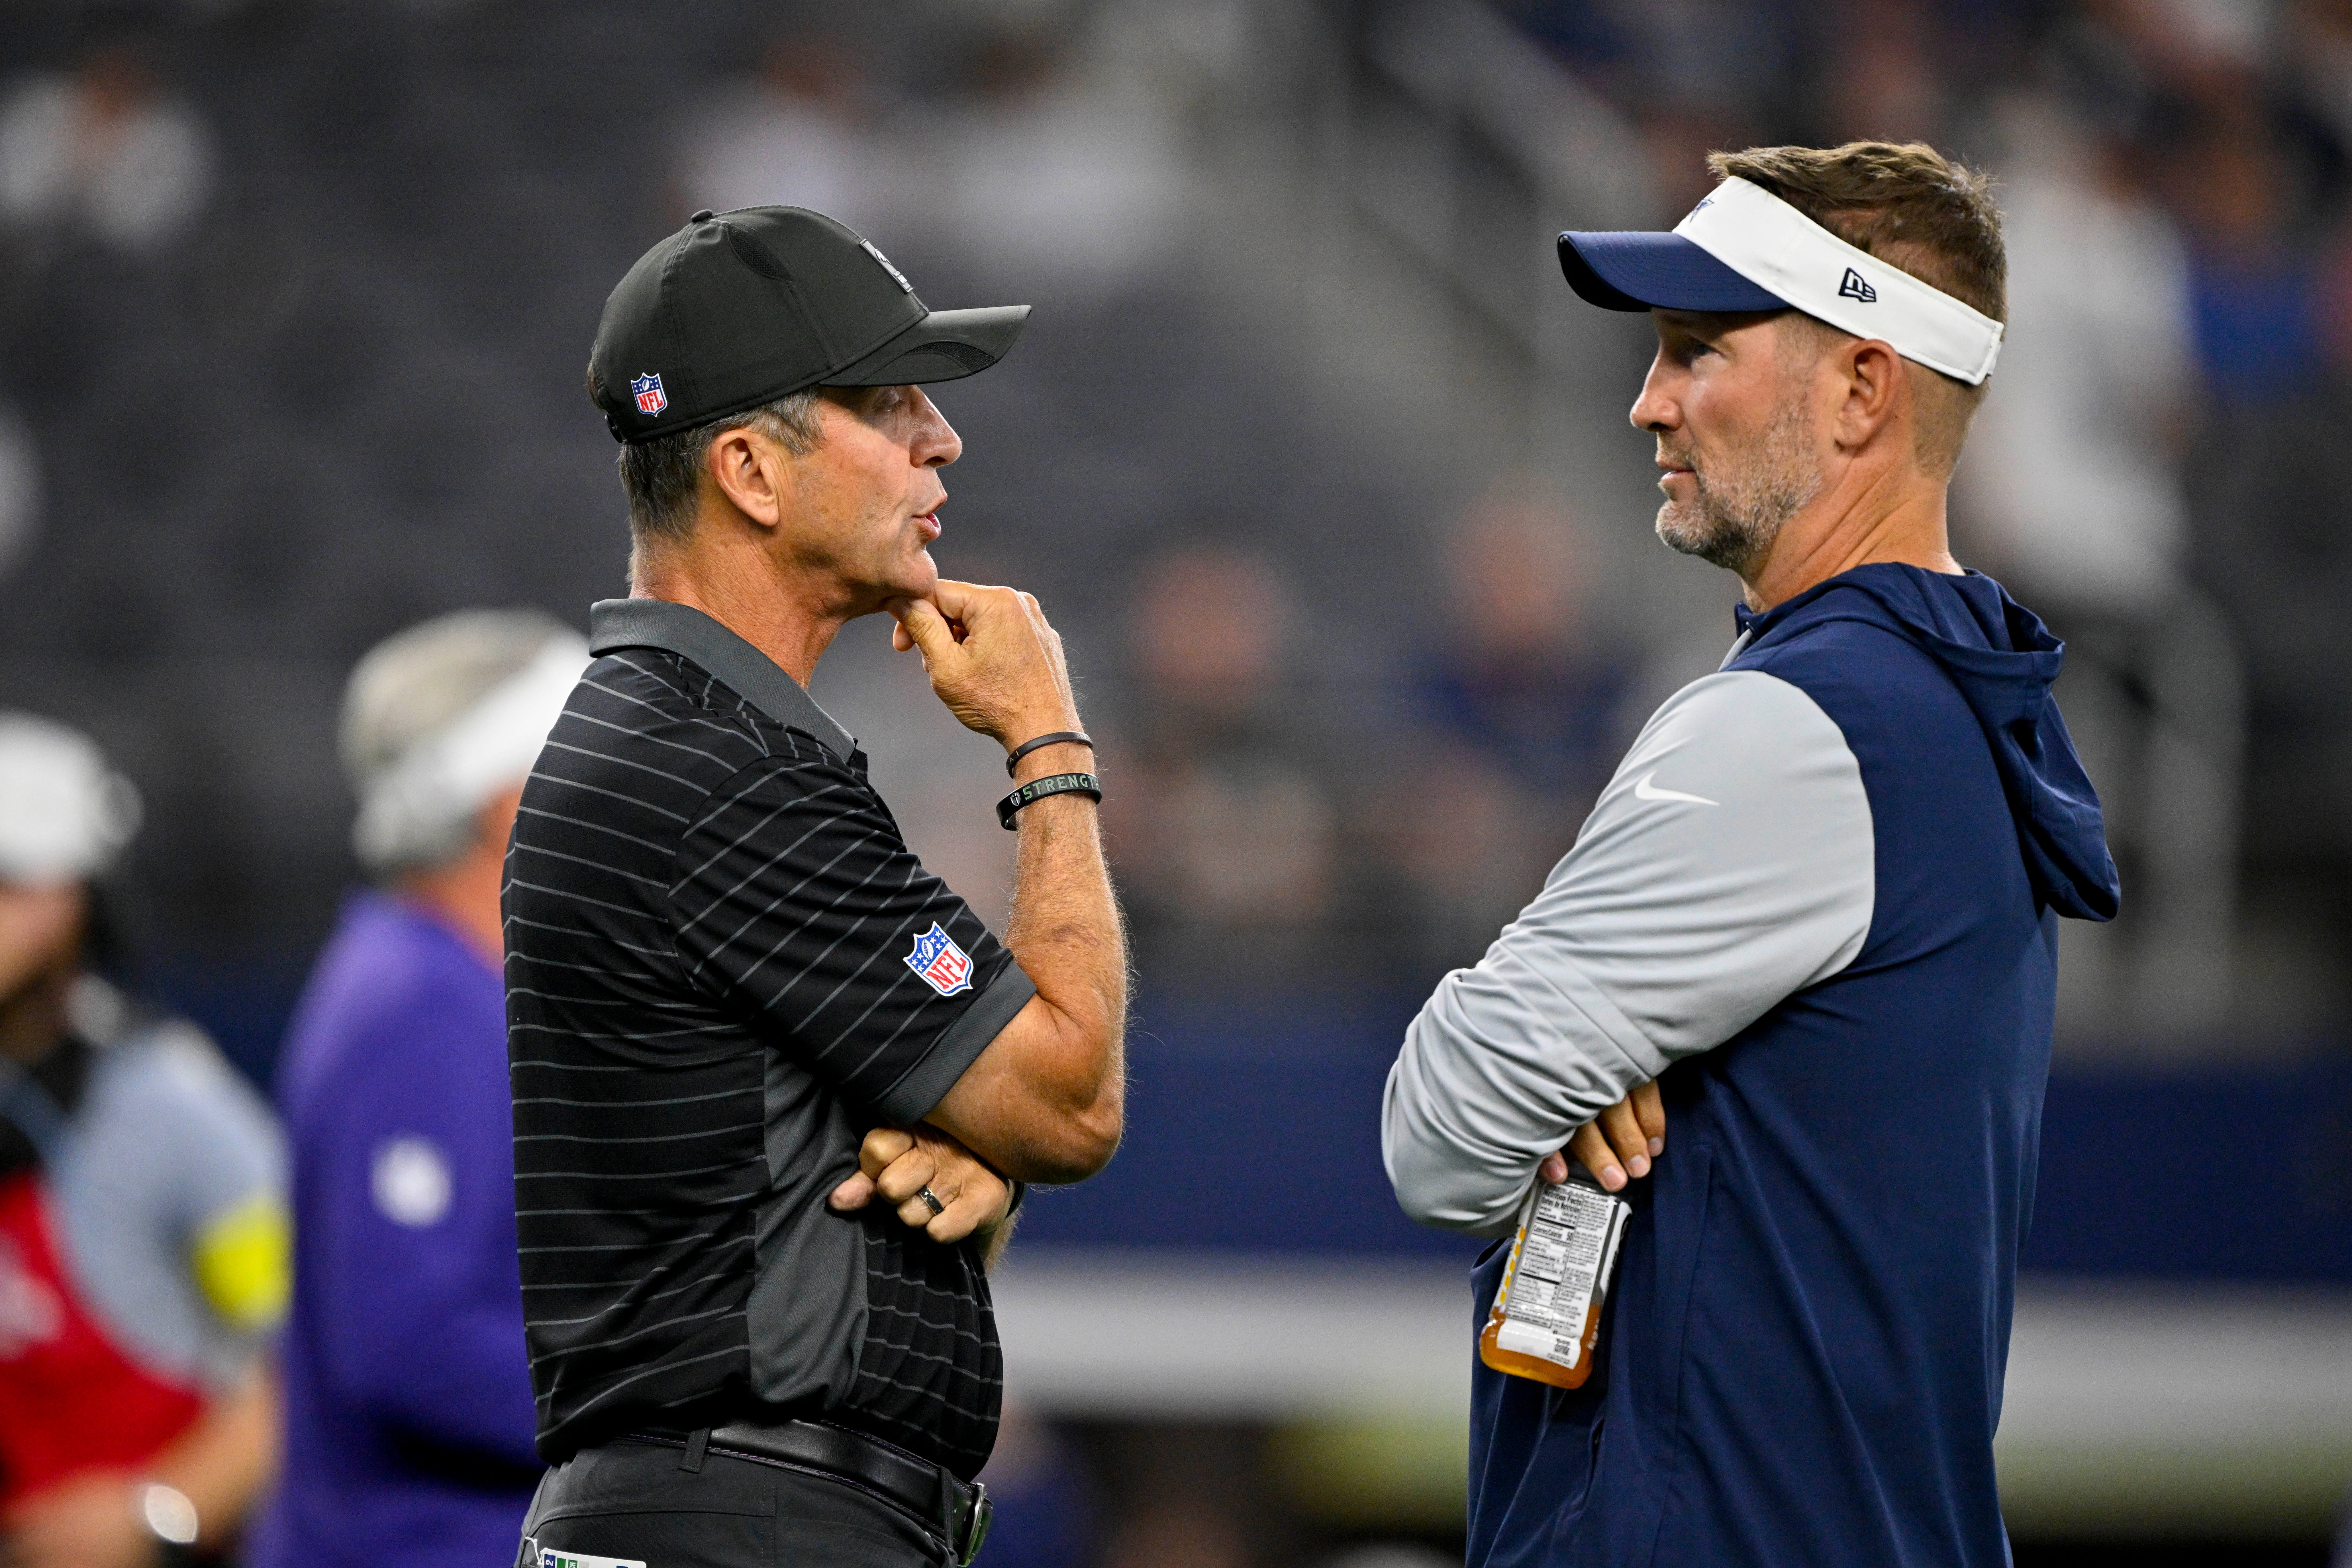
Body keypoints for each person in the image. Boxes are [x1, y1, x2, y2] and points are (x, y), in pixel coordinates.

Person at [1382, 142, 2120, 1567]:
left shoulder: (1796, 723)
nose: (1647, 400)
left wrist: (1576, 1068)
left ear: (1862, 389)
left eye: (1700, 350)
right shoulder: (1952, 704)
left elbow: (1438, 1125)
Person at [506, 206, 1125, 1568]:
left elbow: (1006, 1118)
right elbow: (1073, 1098)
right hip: (738, 1520)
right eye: (886, 399)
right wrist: (1050, 744)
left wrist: (985, 1152)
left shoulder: (694, 739)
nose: (939, 438)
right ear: (749, 470)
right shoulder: (711, 768)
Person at [250, 611, 586, 1568]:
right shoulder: (419, 1006)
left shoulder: (446, 984)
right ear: (506, 805)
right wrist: (670, 1416)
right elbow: (409, 1348)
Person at [0, 713, 285, 1567]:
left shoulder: (170, 1114)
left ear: (77, 902)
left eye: (7, 884)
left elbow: (302, 1357)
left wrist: (157, 1515)